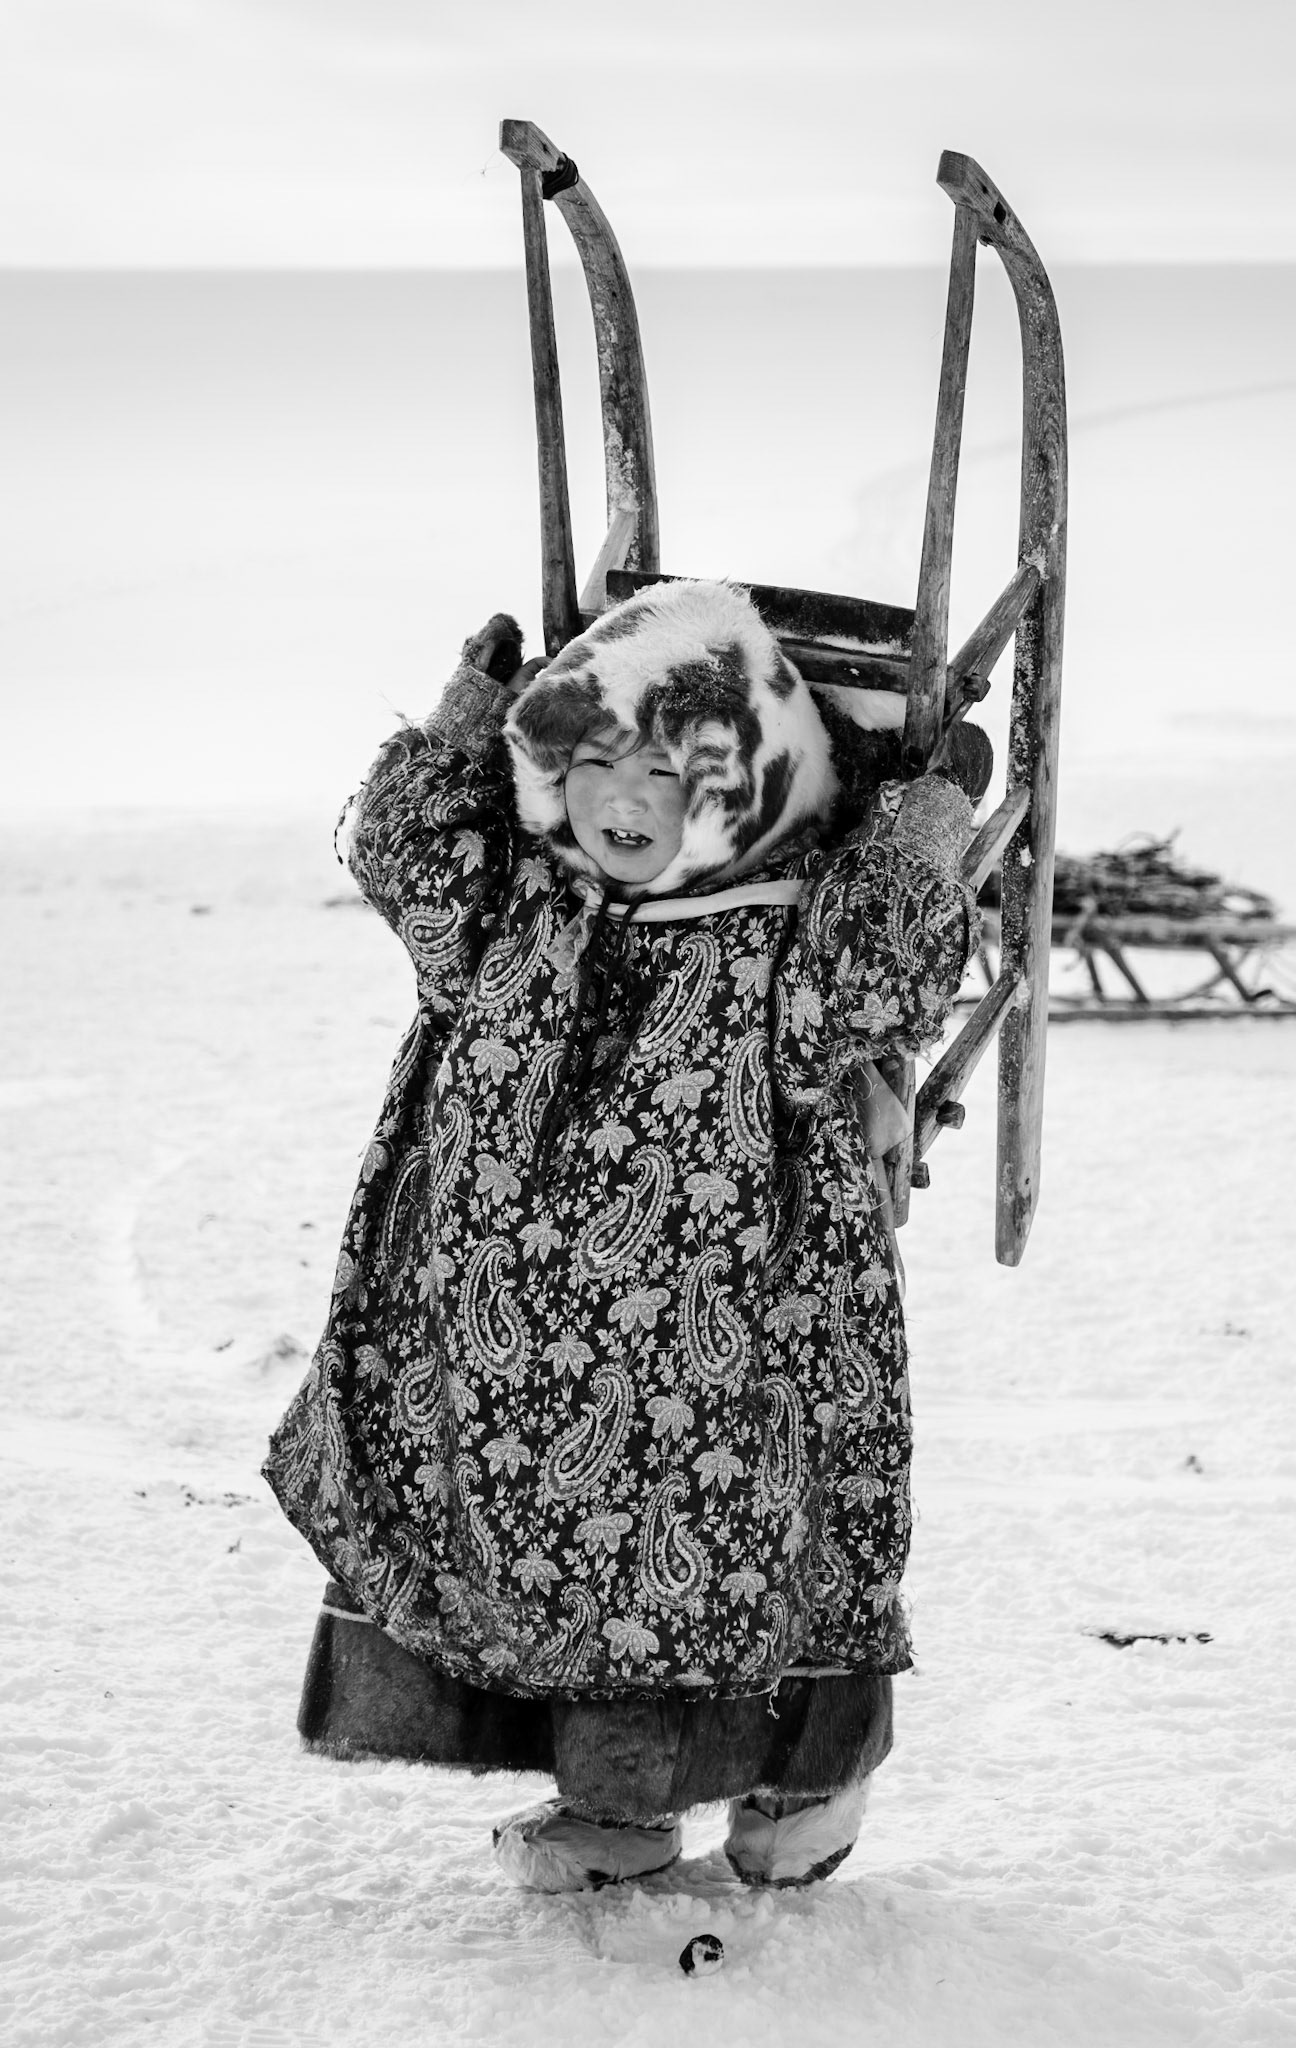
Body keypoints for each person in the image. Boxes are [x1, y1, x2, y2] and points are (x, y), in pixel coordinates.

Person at [263, 577, 981, 1891]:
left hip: (730, 1342)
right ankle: (620, 1809)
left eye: (663, 773)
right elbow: (404, 855)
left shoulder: (777, 937)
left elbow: (883, 968)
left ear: (742, 781)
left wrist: (922, 831)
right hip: (512, 1357)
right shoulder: (521, 902)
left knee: (739, 1545)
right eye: (590, 764)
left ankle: (805, 1788)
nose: (620, 801)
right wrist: (463, 719)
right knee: (540, 1553)